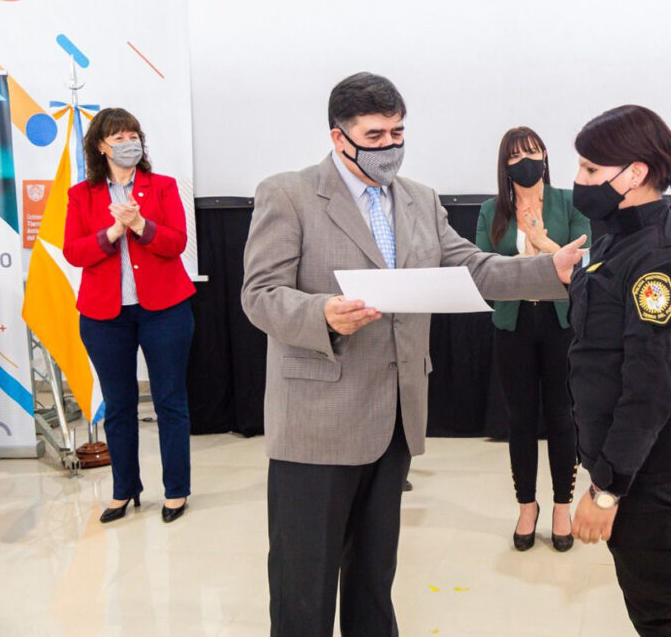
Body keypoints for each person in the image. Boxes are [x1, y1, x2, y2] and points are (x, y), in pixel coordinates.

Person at [240, 72, 586, 637]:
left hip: (394, 418)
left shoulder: (420, 199)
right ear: (339, 137)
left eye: (397, 133)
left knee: (373, 581)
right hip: (316, 424)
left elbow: (473, 267)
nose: (390, 146)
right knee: (304, 588)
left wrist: (550, 270)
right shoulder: (289, 194)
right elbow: (259, 295)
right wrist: (322, 314)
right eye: (374, 136)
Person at [568, 105, 671, 637]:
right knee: (651, 597)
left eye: (590, 169)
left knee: (663, 611)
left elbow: (653, 389)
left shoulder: (660, 260)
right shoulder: (618, 235)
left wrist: (606, 490)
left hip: (647, 468)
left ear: (634, 174)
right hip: (628, 458)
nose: (578, 180)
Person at [63, 107, 196, 525]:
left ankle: (176, 490)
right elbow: (74, 252)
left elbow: (176, 242)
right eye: (118, 138)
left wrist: (140, 224)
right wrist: (112, 233)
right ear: (101, 147)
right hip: (104, 315)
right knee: (119, 406)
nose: (128, 144)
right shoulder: (81, 195)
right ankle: (124, 490)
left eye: (133, 136)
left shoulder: (163, 186)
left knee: (170, 401)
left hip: (165, 310)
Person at [475, 126, 590, 552]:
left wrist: (542, 242)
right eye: (516, 155)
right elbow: (482, 271)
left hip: (561, 323)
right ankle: (527, 505)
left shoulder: (570, 202)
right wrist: (526, 260)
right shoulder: (492, 211)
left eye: (533, 151)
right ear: (505, 165)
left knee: (562, 415)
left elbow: (584, 265)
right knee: (520, 418)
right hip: (514, 322)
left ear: (545, 156)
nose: (527, 161)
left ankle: (562, 506)